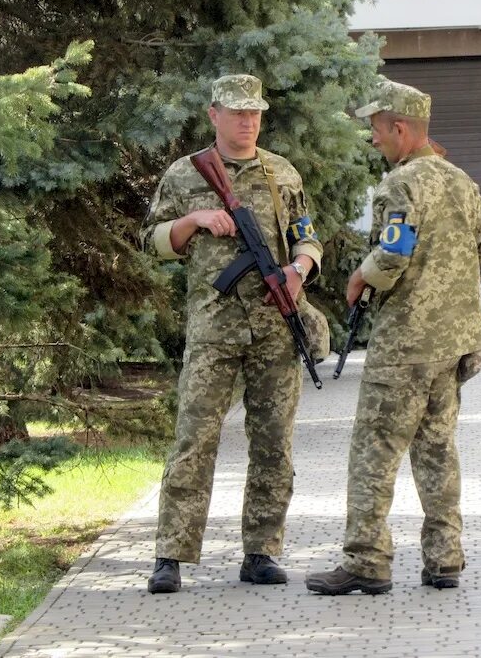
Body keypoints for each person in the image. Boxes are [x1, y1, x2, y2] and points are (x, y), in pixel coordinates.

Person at [305, 79, 481, 595]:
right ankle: (445, 559)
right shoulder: (461, 181)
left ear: (401, 128)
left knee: (375, 449)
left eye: (375, 129)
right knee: (438, 450)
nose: (373, 140)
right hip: (455, 342)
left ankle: (366, 561)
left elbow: (391, 256)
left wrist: (359, 277)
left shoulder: (400, 185)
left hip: (406, 345)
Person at [140, 74, 323, 593]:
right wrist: (194, 219)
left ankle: (261, 551)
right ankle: (170, 555)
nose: (247, 121)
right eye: (237, 112)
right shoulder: (184, 174)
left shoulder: (281, 173)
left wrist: (299, 270)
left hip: (273, 328)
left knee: (272, 444)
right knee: (193, 441)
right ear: (213, 114)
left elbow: (307, 237)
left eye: (255, 113)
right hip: (213, 328)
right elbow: (151, 240)